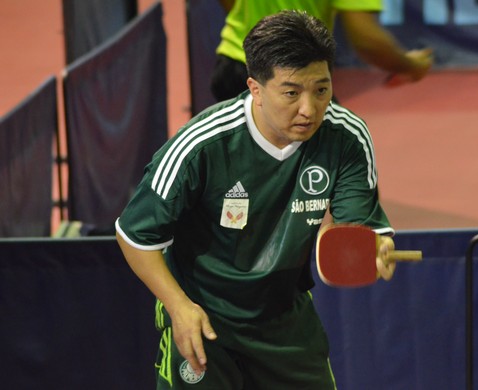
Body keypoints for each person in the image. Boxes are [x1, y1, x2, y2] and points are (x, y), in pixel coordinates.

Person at [116, 10, 396, 389]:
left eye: (322, 89)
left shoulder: (345, 137)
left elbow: (357, 231)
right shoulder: (201, 146)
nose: (309, 109)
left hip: (285, 321)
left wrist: (375, 249)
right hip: (205, 317)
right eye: (291, 92)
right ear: (255, 88)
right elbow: (135, 236)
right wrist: (178, 308)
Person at [211, 0, 433, 101]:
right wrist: (411, 66)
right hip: (296, 78)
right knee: (344, 177)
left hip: (236, 65)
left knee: (246, 181)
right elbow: (368, 42)